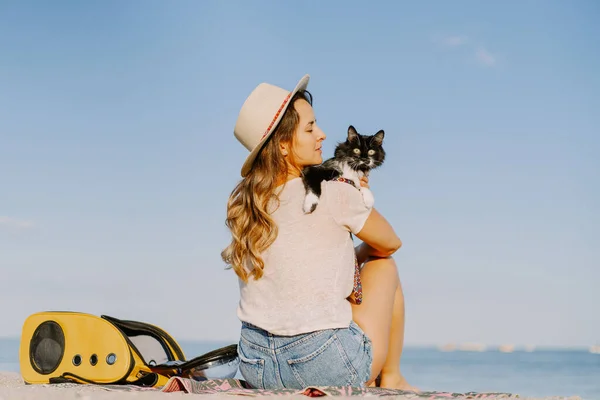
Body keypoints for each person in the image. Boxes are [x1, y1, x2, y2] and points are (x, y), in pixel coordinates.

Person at [221, 74, 416, 391]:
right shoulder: (332, 190)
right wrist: (353, 192)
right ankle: (392, 376)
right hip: (322, 365)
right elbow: (391, 243)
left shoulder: (251, 206)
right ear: (283, 145)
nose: (322, 135)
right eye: (310, 128)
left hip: (257, 366)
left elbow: (307, 268)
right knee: (384, 265)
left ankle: (391, 375)